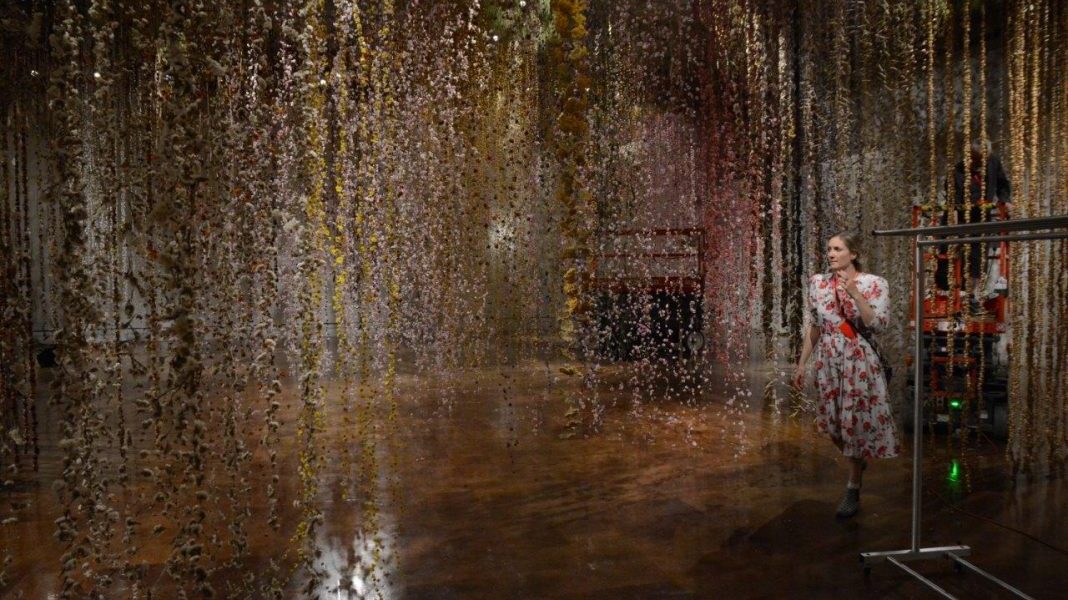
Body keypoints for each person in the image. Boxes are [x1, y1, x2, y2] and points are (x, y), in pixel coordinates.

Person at [792, 232, 900, 518]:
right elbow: (816, 326)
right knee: (832, 424)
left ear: (853, 253)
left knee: (852, 422)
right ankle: (856, 461)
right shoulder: (818, 283)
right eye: (828, 248)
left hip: (858, 359)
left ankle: (852, 487)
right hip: (828, 360)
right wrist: (802, 363)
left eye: (837, 249)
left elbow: (877, 325)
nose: (830, 253)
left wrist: (855, 294)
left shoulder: (874, 284)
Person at [937, 139, 1012, 296]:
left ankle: (973, 293)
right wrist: (955, 216)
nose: (980, 162)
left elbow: (1002, 184)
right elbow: (953, 198)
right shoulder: (957, 171)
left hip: (981, 216)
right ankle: (948, 289)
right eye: (976, 159)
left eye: (983, 159)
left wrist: (1005, 201)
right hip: (961, 215)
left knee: (977, 253)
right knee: (950, 250)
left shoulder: (993, 162)